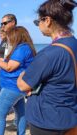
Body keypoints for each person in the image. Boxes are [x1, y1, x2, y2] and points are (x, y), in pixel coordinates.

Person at [17, 0, 77, 134]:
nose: (38, 25)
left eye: (38, 22)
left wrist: (21, 76)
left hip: (47, 121)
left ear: (47, 20)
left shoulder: (49, 54)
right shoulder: (73, 44)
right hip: (70, 117)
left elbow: (23, 85)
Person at [0, 26, 36, 135]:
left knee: (0, 115)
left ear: (16, 36)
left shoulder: (22, 48)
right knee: (21, 113)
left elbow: (9, 67)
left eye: (9, 36)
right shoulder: (24, 47)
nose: (8, 39)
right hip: (17, 87)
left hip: (12, 87)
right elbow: (12, 63)